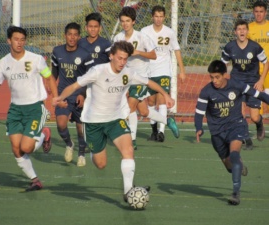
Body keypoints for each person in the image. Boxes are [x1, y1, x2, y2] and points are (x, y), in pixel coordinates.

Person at [52, 40, 175, 202]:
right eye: (119, 58)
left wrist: (165, 95)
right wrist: (60, 97)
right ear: (111, 56)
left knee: (128, 150)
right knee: (101, 164)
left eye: (125, 59)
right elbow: (74, 86)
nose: (122, 62)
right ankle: (93, 152)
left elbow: (149, 82)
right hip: (94, 122)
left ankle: (128, 191)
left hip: (116, 119)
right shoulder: (98, 71)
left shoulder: (128, 73)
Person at [0, 25, 61, 191]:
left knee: (26, 147)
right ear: (9, 40)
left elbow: (49, 76)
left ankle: (44, 134)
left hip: (35, 108)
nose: (19, 42)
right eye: (16, 39)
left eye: (22, 39)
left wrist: (56, 96)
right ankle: (35, 180)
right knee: (16, 148)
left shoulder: (36, 59)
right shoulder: (3, 63)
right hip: (15, 109)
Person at [195, 60, 269, 205]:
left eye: (217, 77)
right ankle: (238, 167)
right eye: (212, 77)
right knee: (230, 166)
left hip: (236, 126)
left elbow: (257, 94)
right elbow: (199, 113)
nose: (214, 80)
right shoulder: (206, 91)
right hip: (217, 132)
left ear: (224, 75)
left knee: (235, 155)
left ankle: (235, 193)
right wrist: (199, 128)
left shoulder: (236, 85)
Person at [113, 6, 179, 150]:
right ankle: (167, 120)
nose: (125, 24)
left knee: (130, 106)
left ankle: (132, 140)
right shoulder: (118, 38)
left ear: (134, 22)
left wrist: (138, 53)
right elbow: (113, 56)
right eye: (122, 21)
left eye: (128, 21)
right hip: (126, 78)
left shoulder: (141, 37)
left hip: (141, 77)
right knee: (143, 111)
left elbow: (153, 55)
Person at [221, 19, 269, 150]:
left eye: (244, 29)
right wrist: (223, 79)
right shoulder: (229, 47)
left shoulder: (255, 47)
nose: (241, 31)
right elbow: (223, 65)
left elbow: (266, 63)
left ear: (247, 31)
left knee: (254, 116)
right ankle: (247, 139)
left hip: (253, 84)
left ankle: (259, 124)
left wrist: (260, 81)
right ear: (235, 32)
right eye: (239, 29)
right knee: (239, 114)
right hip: (236, 83)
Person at [51, 22, 94, 167]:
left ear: (79, 36)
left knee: (80, 128)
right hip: (64, 95)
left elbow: (90, 78)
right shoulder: (57, 51)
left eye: (75, 35)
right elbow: (53, 75)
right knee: (61, 124)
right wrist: (57, 96)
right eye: (70, 34)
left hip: (79, 95)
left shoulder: (85, 55)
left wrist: (82, 94)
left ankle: (81, 154)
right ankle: (69, 144)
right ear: (65, 35)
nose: (72, 37)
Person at [141, 5, 186, 142]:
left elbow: (176, 50)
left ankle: (161, 133)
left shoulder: (169, 32)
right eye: (156, 16)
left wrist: (182, 70)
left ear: (164, 17)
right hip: (148, 70)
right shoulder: (144, 31)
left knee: (161, 99)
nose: (159, 19)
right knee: (150, 101)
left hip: (164, 71)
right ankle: (154, 131)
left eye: (161, 17)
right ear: (152, 17)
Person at [248, 1, 269, 123]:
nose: (259, 14)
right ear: (253, 13)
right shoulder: (249, 28)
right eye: (256, 12)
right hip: (255, 71)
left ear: (265, 13)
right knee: (257, 105)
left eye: (261, 12)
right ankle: (259, 126)